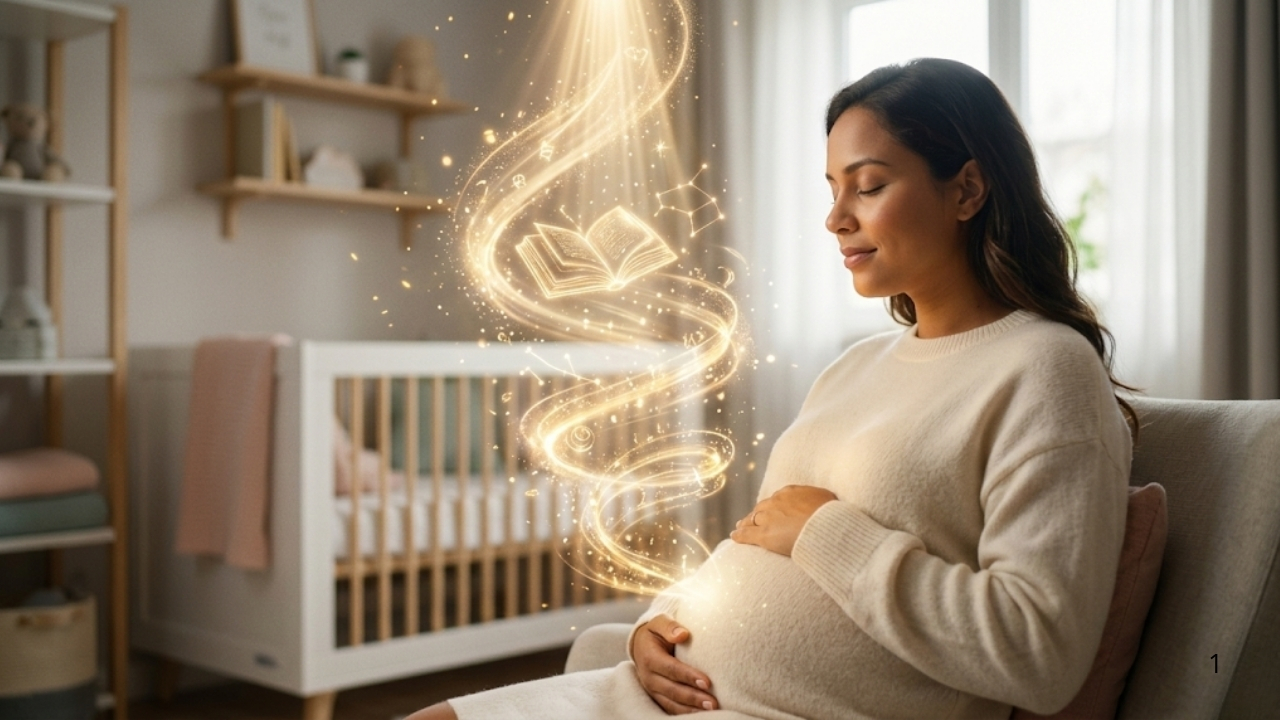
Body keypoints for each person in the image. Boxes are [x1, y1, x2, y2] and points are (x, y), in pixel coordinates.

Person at [408, 57, 1133, 720]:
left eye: (870, 185)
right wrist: (659, 624)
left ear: (967, 188)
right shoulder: (854, 367)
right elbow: (760, 545)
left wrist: (826, 532)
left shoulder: (1044, 367)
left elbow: (1039, 652)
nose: (836, 218)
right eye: (833, 189)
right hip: (672, 696)